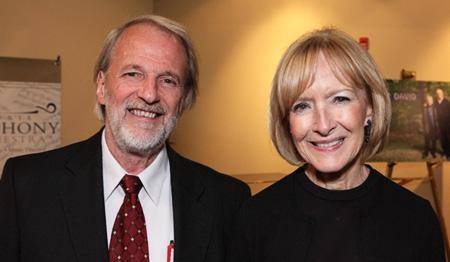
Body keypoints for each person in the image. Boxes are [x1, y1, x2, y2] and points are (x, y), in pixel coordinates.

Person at [0, 15, 250, 262]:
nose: (150, 94)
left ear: (183, 100)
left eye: (168, 80)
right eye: (133, 74)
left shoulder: (227, 202)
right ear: (101, 86)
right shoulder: (26, 186)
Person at [227, 28, 445, 262]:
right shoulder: (255, 220)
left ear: (369, 108)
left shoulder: (416, 219)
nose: (323, 125)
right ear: (288, 121)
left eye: (339, 98)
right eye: (302, 106)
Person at [422, 93, 439, 158]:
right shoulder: (425, 108)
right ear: (427, 101)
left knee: (433, 141)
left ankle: (433, 153)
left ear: (432, 101)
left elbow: (437, 118)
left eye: (430, 100)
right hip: (427, 127)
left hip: (434, 127)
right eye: (428, 100)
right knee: (427, 141)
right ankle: (426, 152)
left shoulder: (435, 108)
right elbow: (423, 119)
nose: (429, 101)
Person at [435, 88, 450, 159]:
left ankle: (449, 154)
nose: (439, 95)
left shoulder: (447, 102)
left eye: (440, 93)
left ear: (442, 93)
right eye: (437, 93)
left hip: (447, 124)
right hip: (439, 125)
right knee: (442, 139)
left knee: (448, 138)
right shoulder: (435, 103)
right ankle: (444, 153)